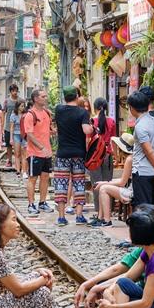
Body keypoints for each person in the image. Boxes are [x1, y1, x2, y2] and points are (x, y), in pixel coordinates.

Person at [53, 86, 93, 226]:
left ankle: (61, 217)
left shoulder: (58, 110)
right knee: (78, 184)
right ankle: (79, 216)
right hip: (78, 154)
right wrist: (92, 127)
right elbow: (86, 130)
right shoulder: (82, 112)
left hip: (62, 154)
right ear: (77, 96)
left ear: (65, 97)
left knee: (61, 184)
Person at [128, 91, 154, 207]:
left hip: (142, 173)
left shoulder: (140, 127)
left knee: (144, 210)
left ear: (132, 108)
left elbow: (149, 151)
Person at [89, 133, 134, 227]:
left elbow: (122, 182)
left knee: (104, 188)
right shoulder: (131, 158)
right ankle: (100, 218)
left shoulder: (129, 160)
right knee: (103, 187)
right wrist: (104, 182)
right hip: (131, 188)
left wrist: (105, 183)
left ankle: (106, 220)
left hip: (132, 192)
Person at [24, 90, 54, 215]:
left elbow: (48, 130)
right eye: (43, 96)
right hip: (35, 152)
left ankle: (42, 202)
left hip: (46, 152)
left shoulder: (47, 113)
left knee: (45, 177)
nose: (45, 98)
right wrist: (41, 147)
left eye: (45, 96)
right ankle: (31, 204)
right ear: (35, 99)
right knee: (32, 178)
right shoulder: (30, 115)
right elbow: (29, 135)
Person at [88, 98, 118, 219]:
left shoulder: (91, 122)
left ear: (95, 108)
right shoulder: (111, 121)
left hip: (94, 155)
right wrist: (115, 156)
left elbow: (88, 140)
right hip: (107, 154)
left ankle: (98, 213)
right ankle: (107, 213)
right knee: (107, 184)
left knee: (96, 183)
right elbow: (113, 140)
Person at [8, 102, 27, 178]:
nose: (23, 107)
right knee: (17, 153)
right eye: (22, 106)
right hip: (16, 134)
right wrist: (11, 138)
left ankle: (24, 170)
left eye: (23, 106)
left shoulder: (25, 115)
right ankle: (18, 170)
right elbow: (11, 127)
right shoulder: (13, 115)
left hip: (24, 135)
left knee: (24, 154)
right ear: (18, 107)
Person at [3, 84, 20, 168]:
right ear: (10, 92)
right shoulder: (6, 101)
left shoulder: (20, 100)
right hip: (8, 126)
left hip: (19, 126)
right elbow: (4, 113)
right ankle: (9, 160)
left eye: (16, 91)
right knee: (8, 145)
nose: (15, 93)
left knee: (19, 144)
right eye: (13, 91)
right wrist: (3, 125)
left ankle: (19, 161)